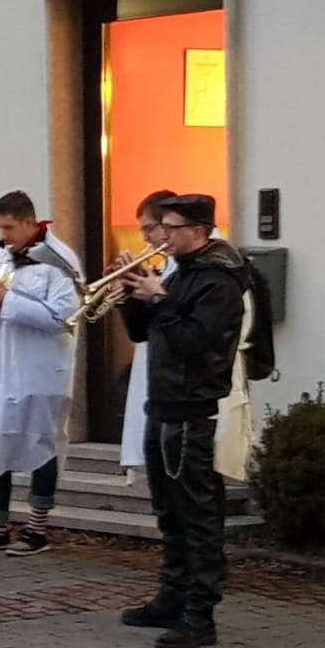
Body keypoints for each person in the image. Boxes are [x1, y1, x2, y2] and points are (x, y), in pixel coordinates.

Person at [117, 193, 248, 648]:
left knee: (196, 512)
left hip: (193, 408)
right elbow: (145, 333)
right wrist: (132, 295)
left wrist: (162, 298)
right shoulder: (182, 273)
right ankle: (171, 597)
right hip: (164, 402)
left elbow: (199, 342)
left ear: (198, 229)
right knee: (168, 510)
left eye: (170, 229)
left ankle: (200, 613)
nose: (161, 236)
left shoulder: (220, 281)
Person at [0, 191, 83, 556]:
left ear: (31, 222)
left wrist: (6, 301)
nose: (4, 234)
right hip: (1, 366)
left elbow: (63, 318)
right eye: (0, 226)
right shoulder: (4, 254)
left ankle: (36, 529)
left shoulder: (58, 261)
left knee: (40, 444)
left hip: (40, 368)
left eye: (9, 227)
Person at [118, 191, 178, 472]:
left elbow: (178, 319)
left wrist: (155, 294)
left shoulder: (192, 269)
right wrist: (127, 292)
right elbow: (140, 330)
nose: (145, 238)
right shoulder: (165, 264)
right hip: (154, 373)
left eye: (148, 229)